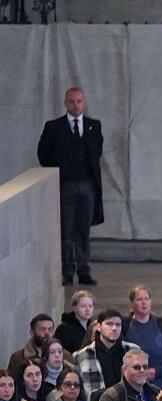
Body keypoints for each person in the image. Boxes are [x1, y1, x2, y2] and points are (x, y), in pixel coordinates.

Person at [38, 87, 105, 284]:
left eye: (79, 101)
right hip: (65, 185)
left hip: (87, 186)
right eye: (72, 101)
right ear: (65, 103)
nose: (75, 105)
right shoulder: (54, 127)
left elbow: (96, 152)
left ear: (83, 103)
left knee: (83, 229)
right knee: (66, 229)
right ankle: (67, 271)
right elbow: (43, 154)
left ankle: (84, 270)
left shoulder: (94, 126)